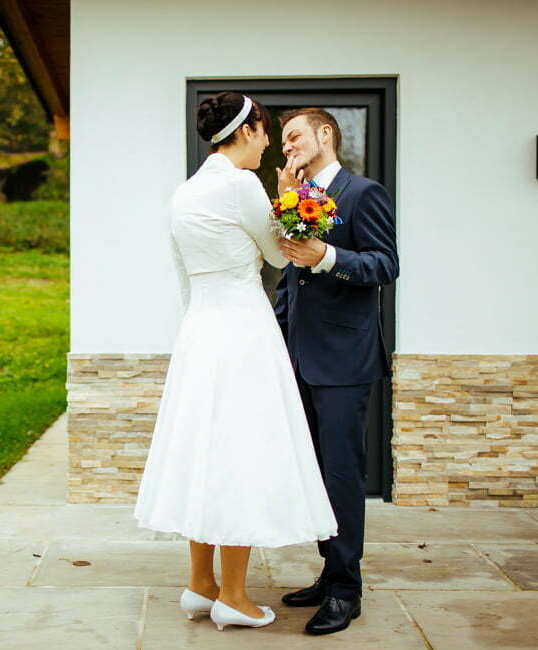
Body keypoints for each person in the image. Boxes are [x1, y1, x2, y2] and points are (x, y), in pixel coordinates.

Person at [132, 92, 338, 633]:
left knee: (202, 452)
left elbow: (183, 276)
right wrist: (292, 198)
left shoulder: (183, 193)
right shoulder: (241, 184)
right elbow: (278, 252)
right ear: (247, 131)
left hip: (200, 331)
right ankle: (234, 596)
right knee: (239, 455)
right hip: (244, 331)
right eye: (267, 133)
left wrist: (196, 330)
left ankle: (200, 585)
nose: (270, 144)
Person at [274, 107, 400, 635]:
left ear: (326, 133)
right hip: (301, 357)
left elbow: (385, 264)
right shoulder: (293, 198)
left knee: (343, 475)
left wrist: (326, 255)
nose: (287, 148)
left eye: (294, 136)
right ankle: (329, 573)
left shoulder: (362, 192)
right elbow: (289, 279)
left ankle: (347, 589)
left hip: (345, 361)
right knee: (317, 474)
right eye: (282, 142)